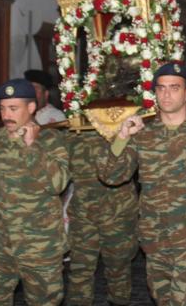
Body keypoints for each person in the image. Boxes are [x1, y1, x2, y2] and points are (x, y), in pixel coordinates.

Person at [98, 63, 186, 306]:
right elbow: (111, 176)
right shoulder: (144, 135)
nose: (166, 94)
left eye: (174, 88)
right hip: (156, 241)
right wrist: (121, 137)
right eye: (161, 88)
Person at [0, 79, 70, 305]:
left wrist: (31, 146)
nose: (6, 115)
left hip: (39, 246)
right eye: (2, 108)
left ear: (31, 107)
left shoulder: (52, 140)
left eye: (13, 108)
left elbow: (57, 184)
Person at [65, 123, 139, 305]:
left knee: (118, 267)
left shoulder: (123, 127)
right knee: (80, 268)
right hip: (83, 214)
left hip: (118, 213)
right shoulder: (72, 132)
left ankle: (119, 301)